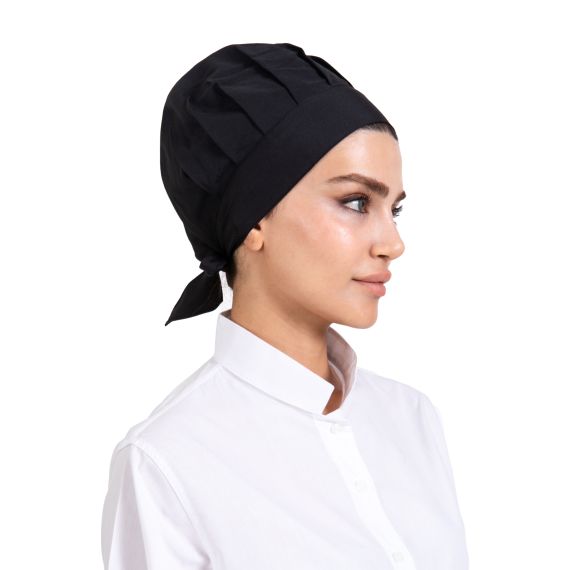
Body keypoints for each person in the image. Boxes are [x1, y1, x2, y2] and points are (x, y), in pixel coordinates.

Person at [101, 42, 469, 569]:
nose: (393, 242)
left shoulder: (411, 418)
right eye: (356, 202)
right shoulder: (166, 463)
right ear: (254, 219)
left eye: (395, 209)